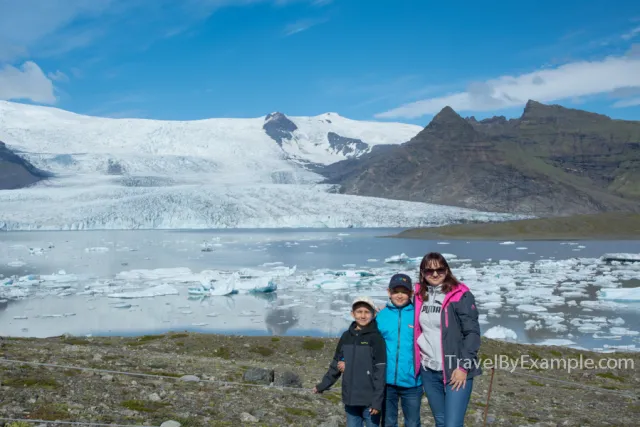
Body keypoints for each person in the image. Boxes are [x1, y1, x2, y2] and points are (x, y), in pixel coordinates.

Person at [413, 252, 481, 427]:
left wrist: (463, 367)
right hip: (429, 370)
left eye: (440, 269)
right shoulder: (419, 295)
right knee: (441, 421)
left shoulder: (460, 295)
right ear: (422, 272)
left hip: (456, 370)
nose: (435, 274)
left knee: (452, 424)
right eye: (429, 270)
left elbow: (472, 333)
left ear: (447, 270)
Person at [313, 296, 387, 427]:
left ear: (374, 314)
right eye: (359, 312)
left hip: (369, 401)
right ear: (352, 314)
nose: (363, 316)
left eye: (366, 312)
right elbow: (335, 365)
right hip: (350, 399)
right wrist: (322, 385)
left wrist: (377, 401)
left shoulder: (376, 338)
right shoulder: (346, 336)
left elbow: (380, 371)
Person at [375, 273, 424, 427]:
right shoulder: (381, 316)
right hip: (387, 381)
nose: (400, 295)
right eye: (396, 291)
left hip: (412, 381)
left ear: (411, 293)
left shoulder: (419, 315)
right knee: (388, 422)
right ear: (389, 292)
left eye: (404, 291)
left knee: (413, 422)